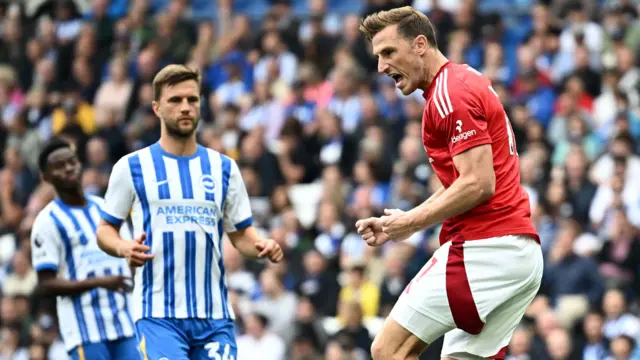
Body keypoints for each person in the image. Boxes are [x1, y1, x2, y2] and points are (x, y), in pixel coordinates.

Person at [355, 6, 543, 360]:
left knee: (388, 350)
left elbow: (478, 183)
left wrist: (410, 223)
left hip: (487, 248)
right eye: (378, 56)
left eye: (389, 52)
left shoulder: (448, 94)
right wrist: (405, 220)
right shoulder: (460, 81)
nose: (381, 67)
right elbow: (464, 180)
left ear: (420, 44)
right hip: (519, 253)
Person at [96, 64, 284, 360]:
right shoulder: (132, 167)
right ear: (157, 108)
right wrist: (123, 246)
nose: (185, 107)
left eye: (192, 100)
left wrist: (260, 245)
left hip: (214, 317)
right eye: (175, 100)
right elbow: (105, 230)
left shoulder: (224, 168)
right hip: (158, 314)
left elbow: (241, 235)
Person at [30, 138, 139, 359]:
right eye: (59, 166)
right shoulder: (47, 221)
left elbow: (129, 255)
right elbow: (46, 284)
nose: (69, 168)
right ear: (46, 177)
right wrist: (99, 282)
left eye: (72, 161)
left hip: (125, 323)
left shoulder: (105, 207)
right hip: (85, 330)